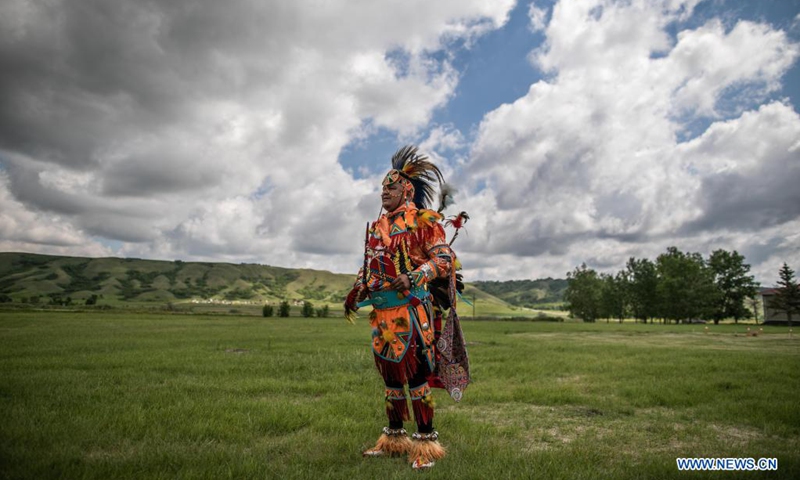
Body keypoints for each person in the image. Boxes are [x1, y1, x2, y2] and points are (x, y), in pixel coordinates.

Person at [344, 145, 458, 469]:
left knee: (417, 379)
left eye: (390, 187)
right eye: (382, 188)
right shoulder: (377, 228)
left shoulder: (423, 223)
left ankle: (425, 445)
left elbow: (444, 259)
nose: (384, 192)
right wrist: (356, 290)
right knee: (392, 381)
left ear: (406, 189)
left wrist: (415, 276)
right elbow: (369, 267)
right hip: (383, 317)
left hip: (413, 313)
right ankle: (394, 439)